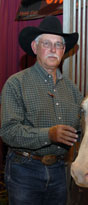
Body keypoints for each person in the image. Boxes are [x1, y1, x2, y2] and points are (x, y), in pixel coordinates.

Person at [0, 16, 83, 205]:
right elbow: (8, 132)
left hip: (59, 169)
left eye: (58, 45)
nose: (53, 49)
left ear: (64, 51)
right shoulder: (16, 84)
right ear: (35, 47)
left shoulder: (72, 89)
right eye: (47, 43)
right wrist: (49, 134)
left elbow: (83, 126)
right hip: (24, 170)